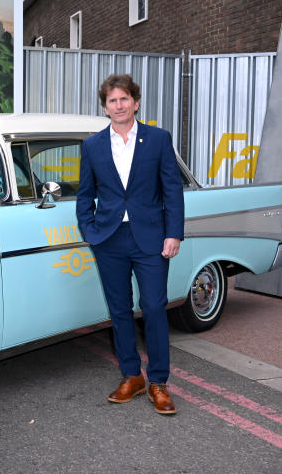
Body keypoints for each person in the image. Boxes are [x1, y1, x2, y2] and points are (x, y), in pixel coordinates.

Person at [76, 73, 184, 414]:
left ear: (135, 103)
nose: (119, 105)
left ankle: (158, 382)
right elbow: (85, 195)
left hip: (151, 238)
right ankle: (130, 376)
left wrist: (173, 233)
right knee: (119, 310)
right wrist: (90, 232)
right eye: (112, 100)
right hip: (109, 239)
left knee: (153, 306)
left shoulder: (157, 139)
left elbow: (172, 190)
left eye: (124, 99)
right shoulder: (92, 146)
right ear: (105, 107)